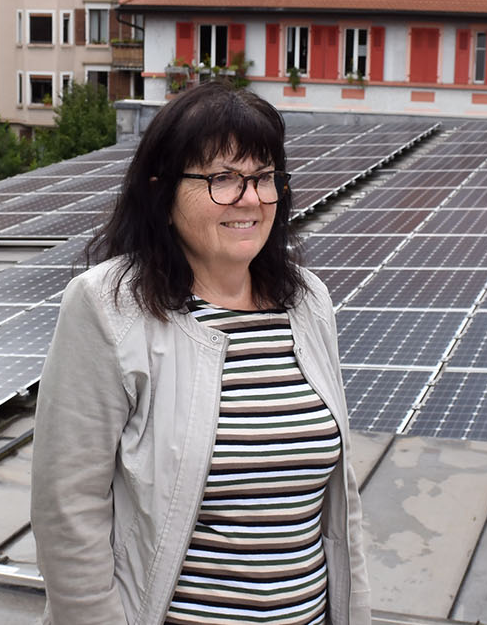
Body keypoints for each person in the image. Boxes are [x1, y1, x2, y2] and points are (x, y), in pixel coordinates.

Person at [32, 82, 371, 625]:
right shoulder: (108, 306)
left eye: (264, 178)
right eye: (222, 179)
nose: (252, 199)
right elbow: (68, 508)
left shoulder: (307, 303)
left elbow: (339, 507)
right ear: (161, 194)